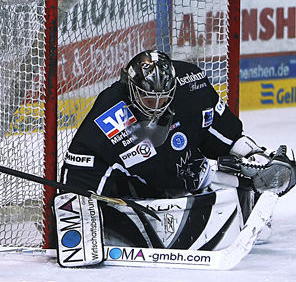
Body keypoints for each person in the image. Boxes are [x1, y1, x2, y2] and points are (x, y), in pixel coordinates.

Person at [59, 49, 296, 249]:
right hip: (127, 185)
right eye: (149, 99)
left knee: (234, 177)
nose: (157, 106)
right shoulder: (112, 114)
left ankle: (253, 193)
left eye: (163, 99)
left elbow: (224, 132)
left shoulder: (190, 85)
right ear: (131, 88)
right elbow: (84, 166)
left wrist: (255, 158)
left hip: (177, 172)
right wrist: (75, 218)